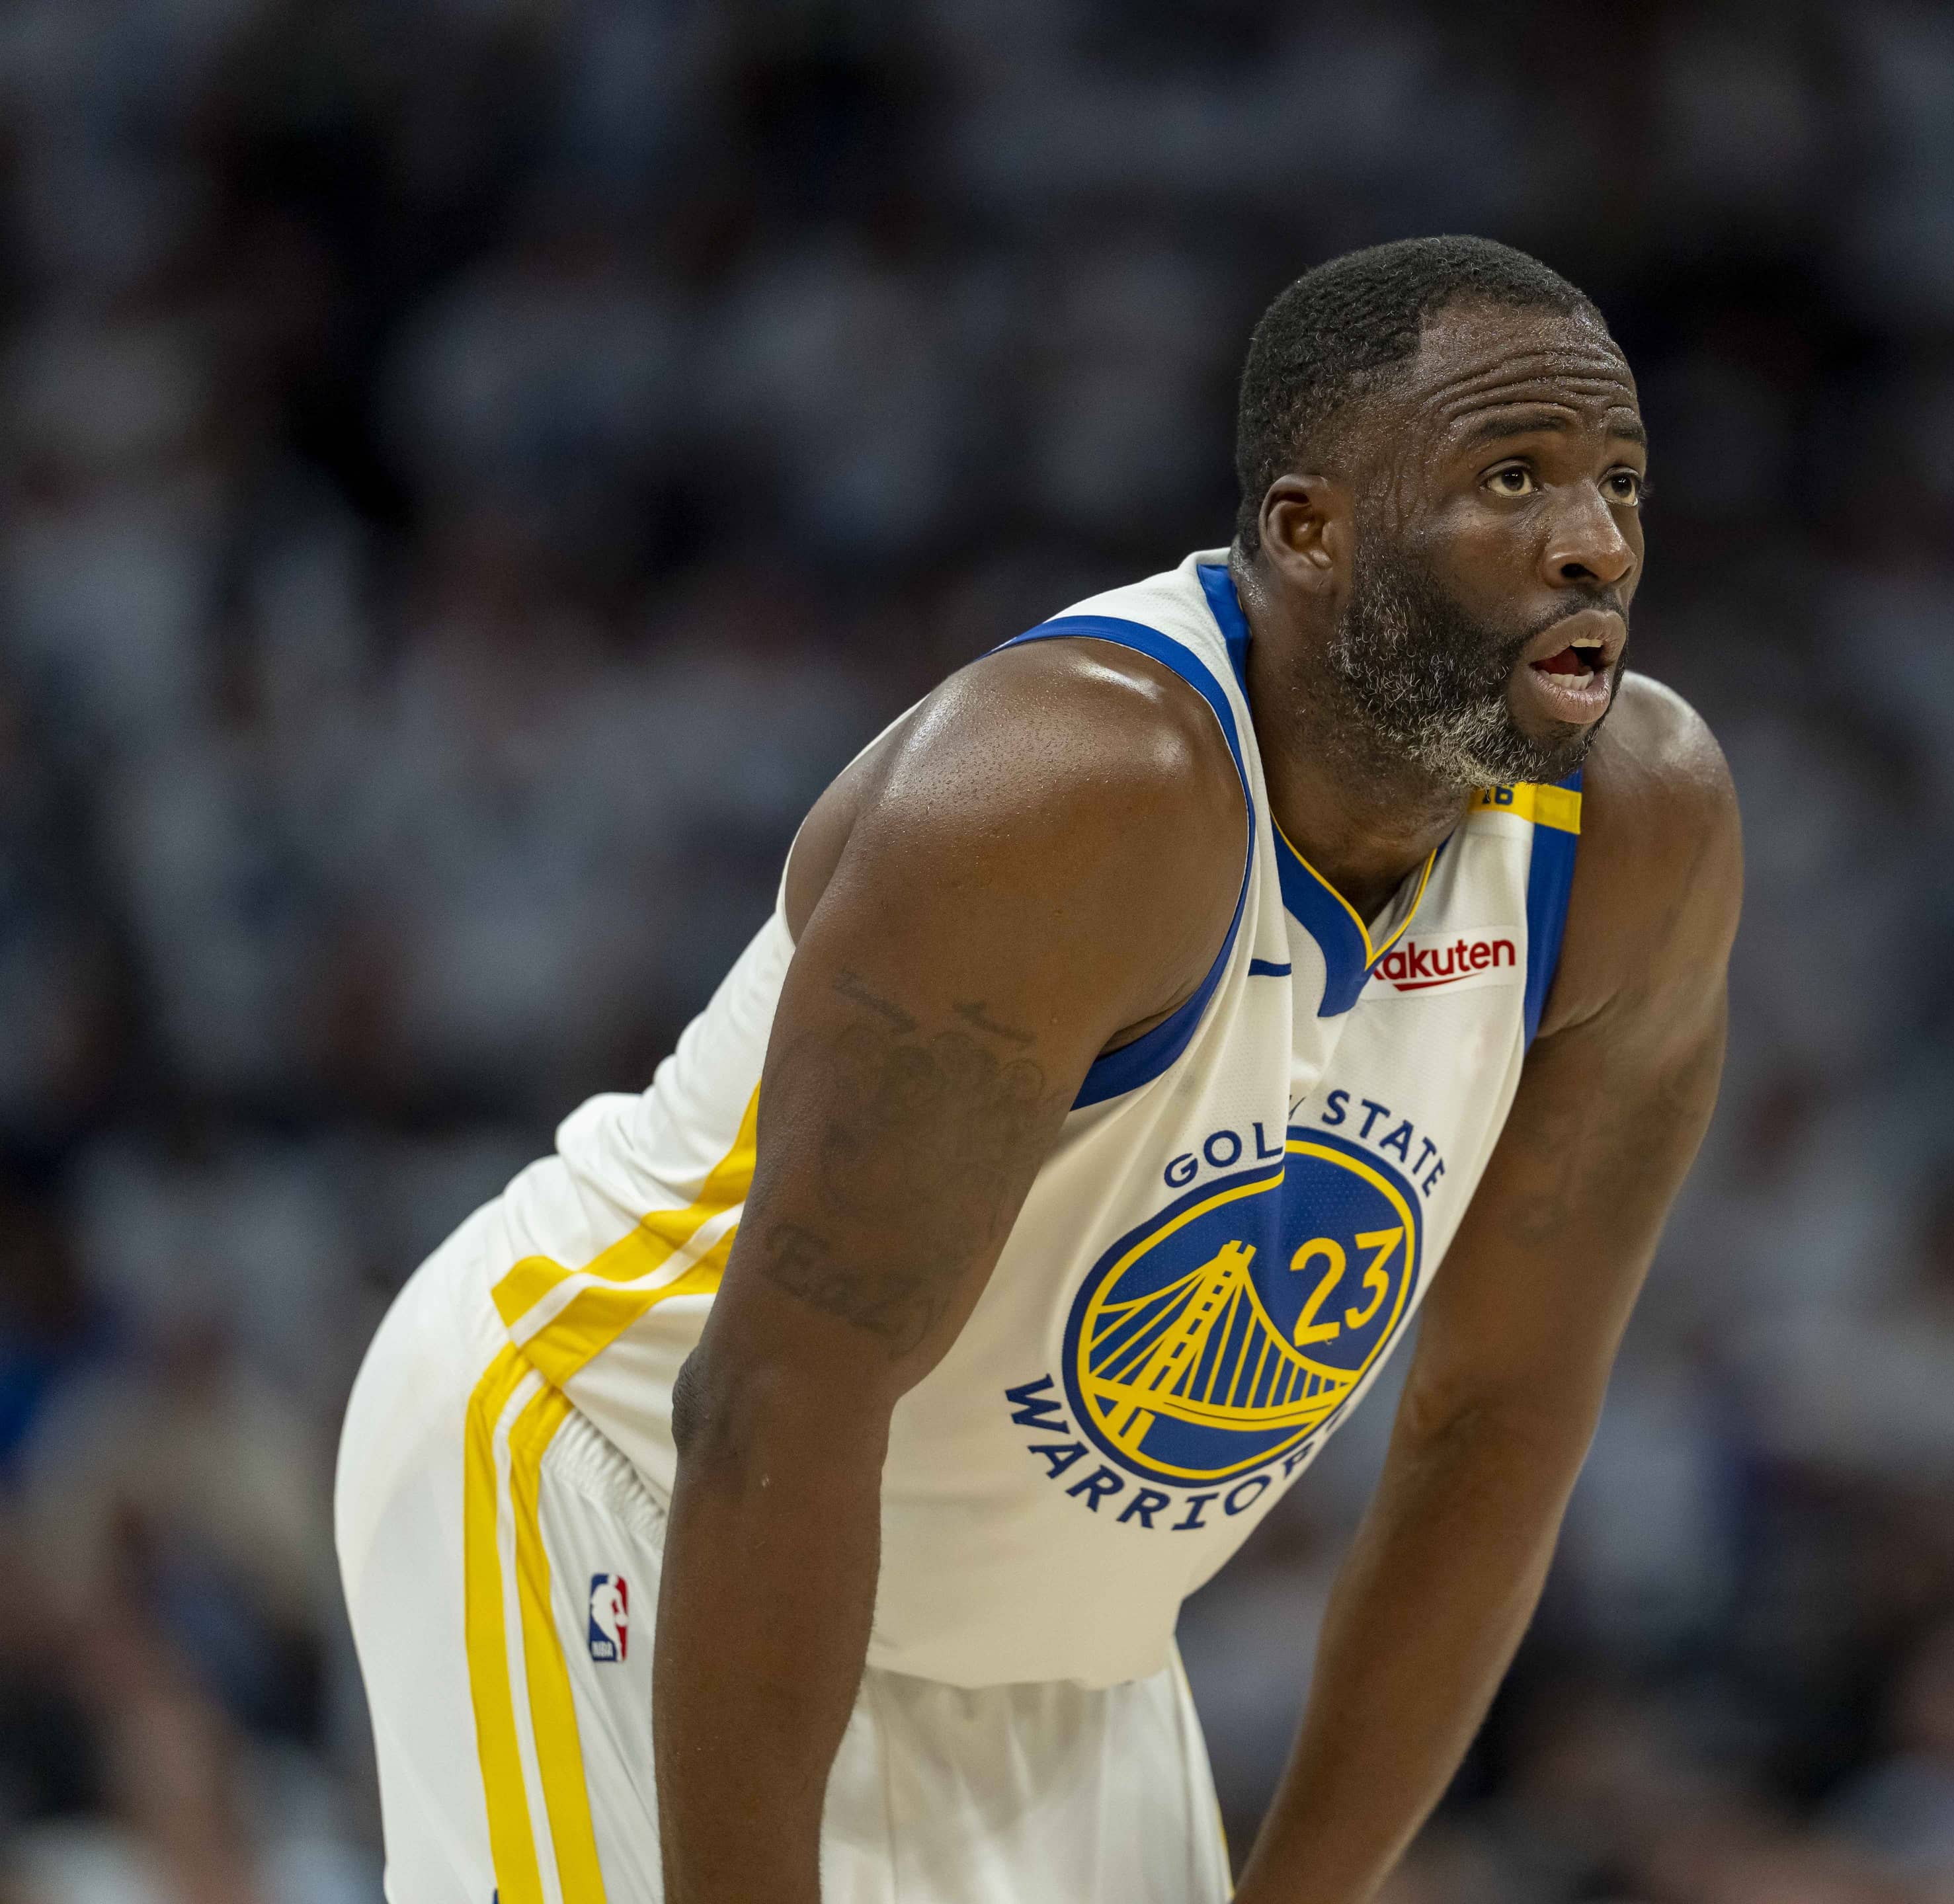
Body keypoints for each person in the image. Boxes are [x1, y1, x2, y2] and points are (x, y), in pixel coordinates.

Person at [333, 234, 1740, 1904]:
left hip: (1054, 1653)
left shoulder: (1641, 833)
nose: (1596, 546)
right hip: (635, 1475)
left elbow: (1502, 1422)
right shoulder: (1074, 792)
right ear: (1311, 532)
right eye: (1515, 479)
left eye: (1623, 484)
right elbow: (775, 1401)